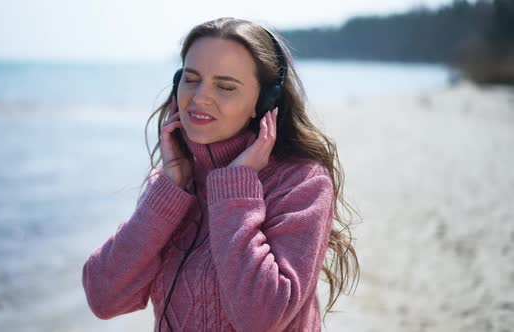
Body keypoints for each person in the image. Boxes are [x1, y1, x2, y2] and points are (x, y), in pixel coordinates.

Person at [82, 17, 360, 332]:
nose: (200, 97)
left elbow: (261, 319)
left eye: (225, 86)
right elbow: (103, 298)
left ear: (264, 100)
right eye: (191, 78)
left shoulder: (302, 183)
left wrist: (234, 190)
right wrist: (168, 189)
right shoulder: (172, 183)